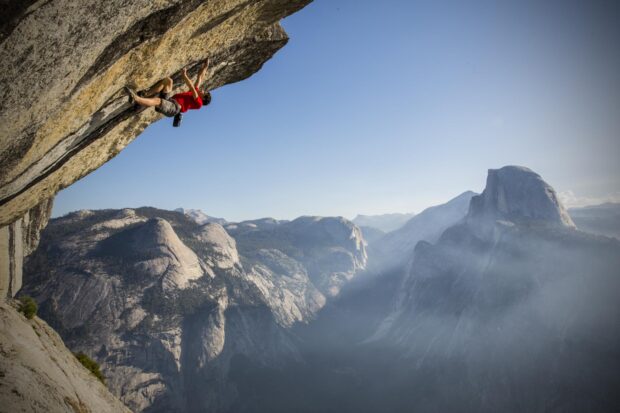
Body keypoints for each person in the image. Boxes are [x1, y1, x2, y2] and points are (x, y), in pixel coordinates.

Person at [125, 58, 212, 121]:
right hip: (170, 100)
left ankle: (136, 99)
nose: (203, 90)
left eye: (204, 93)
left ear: (203, 98)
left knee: (158, 101)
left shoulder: (199, 103)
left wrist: (184, 75)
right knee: (168, 81)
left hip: (174, 108)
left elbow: (191, 87)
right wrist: (206, 66)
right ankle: (144, 94)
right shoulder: (195, 93)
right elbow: (200, 77)